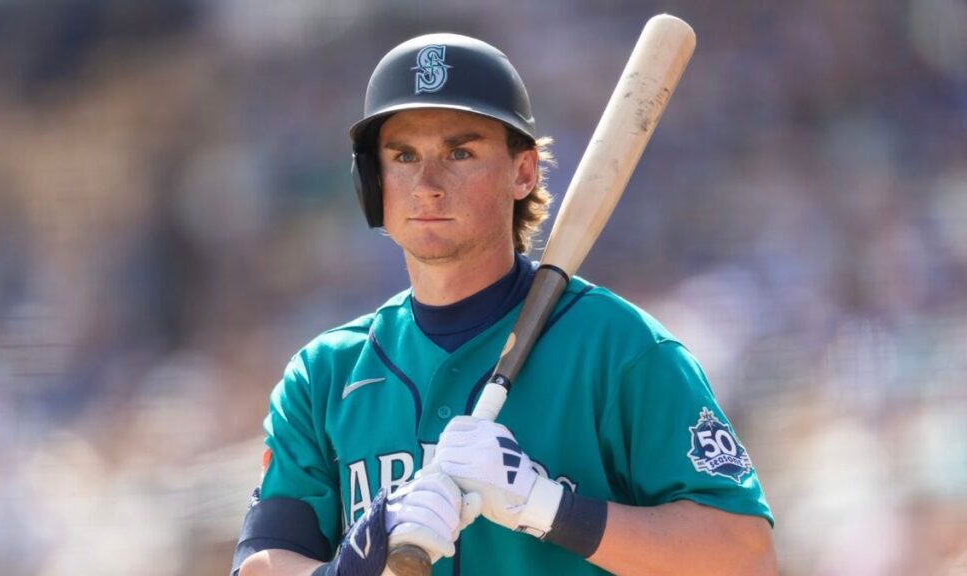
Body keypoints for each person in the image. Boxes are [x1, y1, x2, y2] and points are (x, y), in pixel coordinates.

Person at [232, 32, 776, 576]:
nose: (427, 185)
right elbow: (259, 565)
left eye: (460, 152)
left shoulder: (619, 348)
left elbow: (746, 557)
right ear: (372, 180)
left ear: (523, 172)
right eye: (403, 156)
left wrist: (548, 509)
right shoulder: (324, 375)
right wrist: (357, 559)